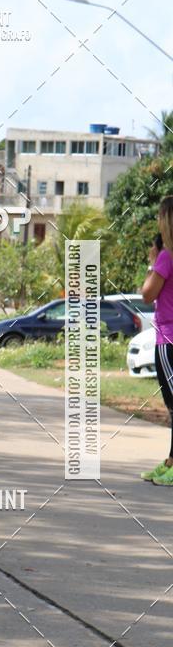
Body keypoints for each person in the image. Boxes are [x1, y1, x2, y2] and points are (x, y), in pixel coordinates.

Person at [141, 196, 173, 484]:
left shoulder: (166, 256)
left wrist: (152, 263)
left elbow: (148, 293)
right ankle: (171, 461)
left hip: (169, 339)